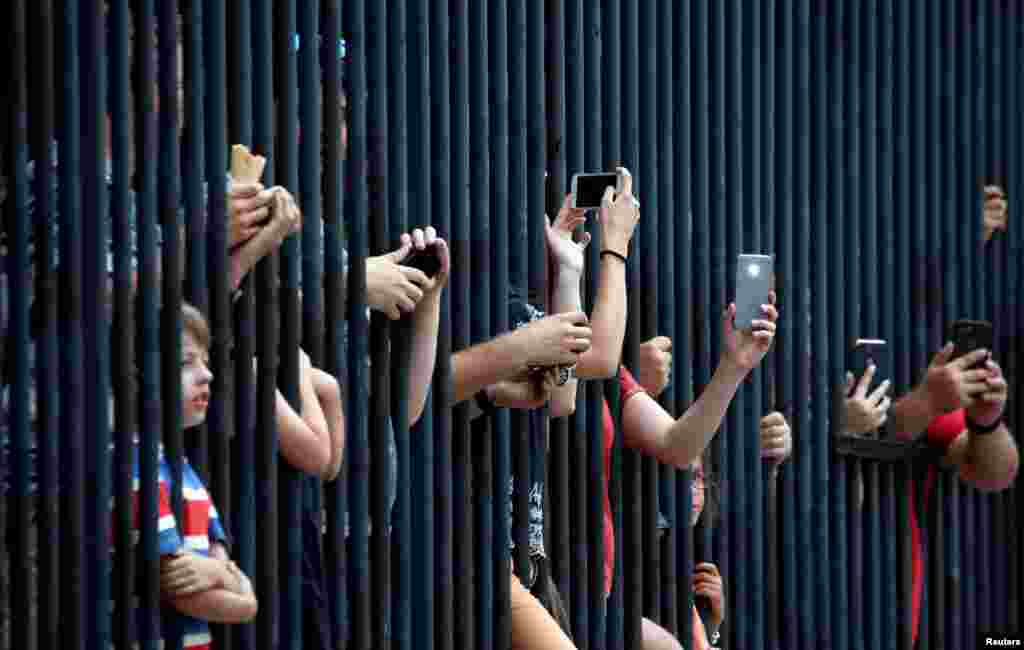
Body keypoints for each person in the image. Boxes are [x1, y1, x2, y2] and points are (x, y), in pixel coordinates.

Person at [842, 343, 1018, 648]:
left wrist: (985, 423)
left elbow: (995, 474)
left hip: (884, 598)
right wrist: (924, 401)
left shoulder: (904, 371)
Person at [116, 304, 258, 650]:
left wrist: (219, 574)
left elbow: (218, 562)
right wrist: (245, 597)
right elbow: (185, 593)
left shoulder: (182, 469)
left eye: (205, 361)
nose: (207, 374)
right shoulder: (136, 465)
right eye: (186, 363)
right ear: (138, 376)